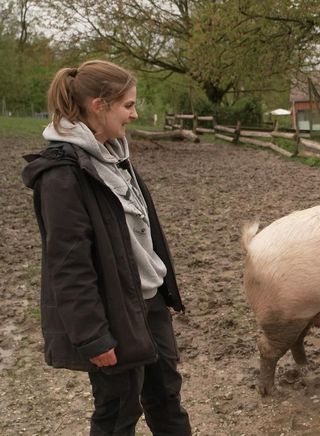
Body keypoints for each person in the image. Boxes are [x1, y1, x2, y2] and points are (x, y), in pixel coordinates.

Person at [21, 60, 192, 435]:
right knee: (117, 414)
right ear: (99, 105)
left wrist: (163, 293)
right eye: (128, 105)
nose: (135, 114)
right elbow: (69, 266)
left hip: (148, 305)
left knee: (167, 401)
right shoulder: (63, 176)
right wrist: (94, 337)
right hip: (112, 315)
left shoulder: (115, 156)